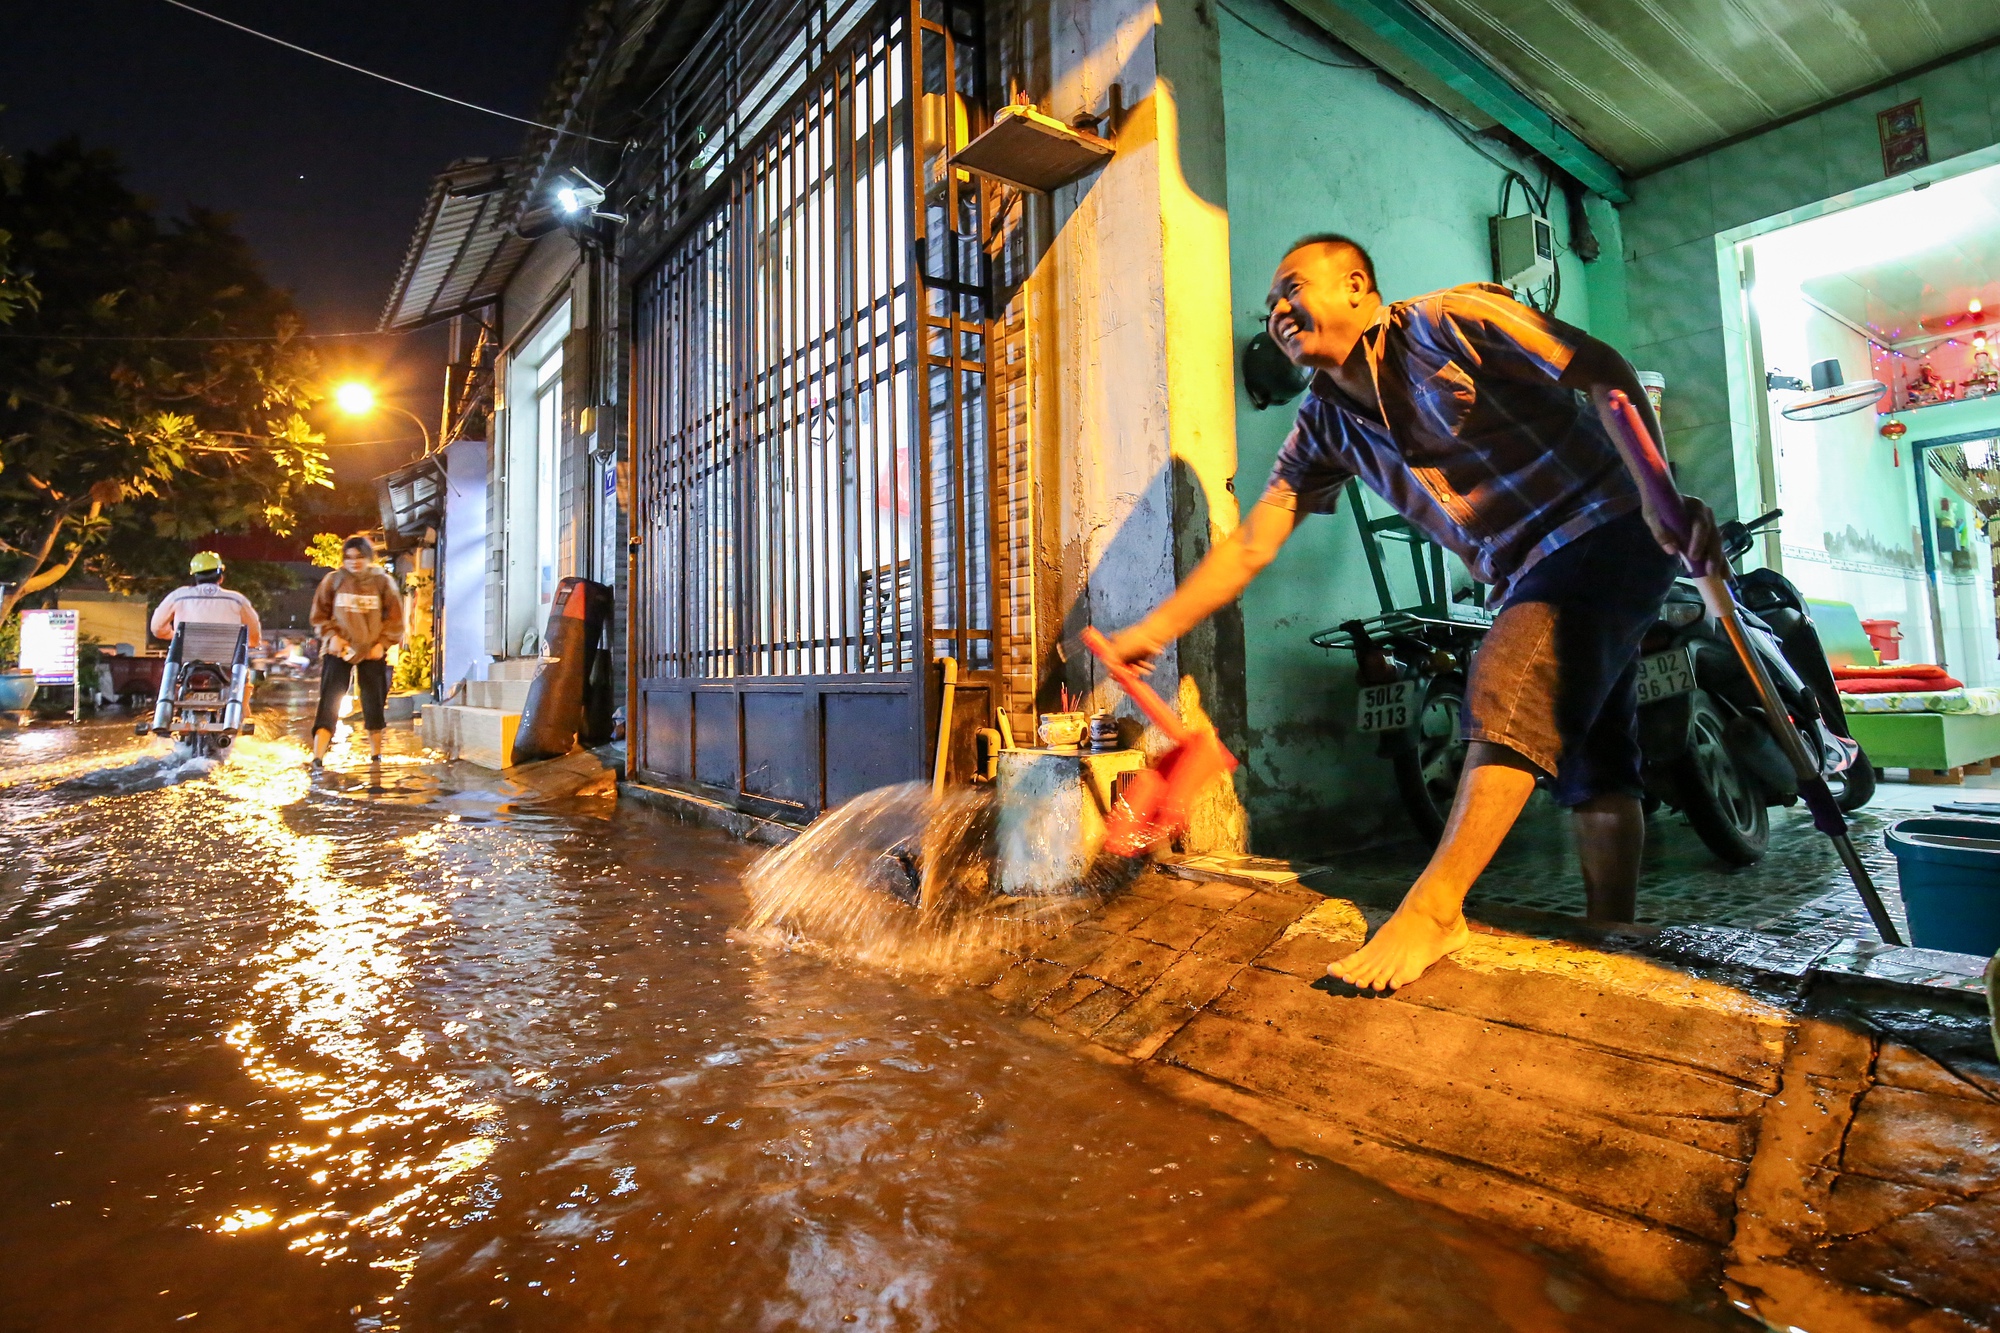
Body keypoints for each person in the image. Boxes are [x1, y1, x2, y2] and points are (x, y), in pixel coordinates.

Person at [1103, 234, 1722, 992]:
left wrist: (1660, 494)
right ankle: (1609, 929)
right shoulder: (1323, 427)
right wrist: (1153, 630)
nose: (1278, 312)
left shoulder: (1450, 323)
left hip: (1610, 521)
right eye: (1269, 307)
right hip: (1527, 569)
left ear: (1359, 287)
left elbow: (1607, 374)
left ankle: (1435, 907)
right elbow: (1251, 546)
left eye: (1293, 289)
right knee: (1594, 751)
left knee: (1510, 675)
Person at [308, 535, 405, 769]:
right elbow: (319, 615)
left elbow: (395, 619)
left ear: (369, 557)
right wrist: (331, 637)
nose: (354, 562)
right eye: (349, 557)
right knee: (329, 701)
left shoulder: (383, 582)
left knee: (374, 703)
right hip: (339, 650)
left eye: (360, 557)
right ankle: (318, 757)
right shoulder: (333, 580)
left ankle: (376, 756)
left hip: (372, 650)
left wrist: (382, 644)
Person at [149, 551, 264, 651]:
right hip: (227, 662)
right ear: (221, 577)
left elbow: (156, 627)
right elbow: (253, 629)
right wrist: (253, 643)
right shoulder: (237, 600)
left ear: (195, 577)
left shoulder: (178, 596)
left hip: (187, 659)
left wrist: (174, 635)